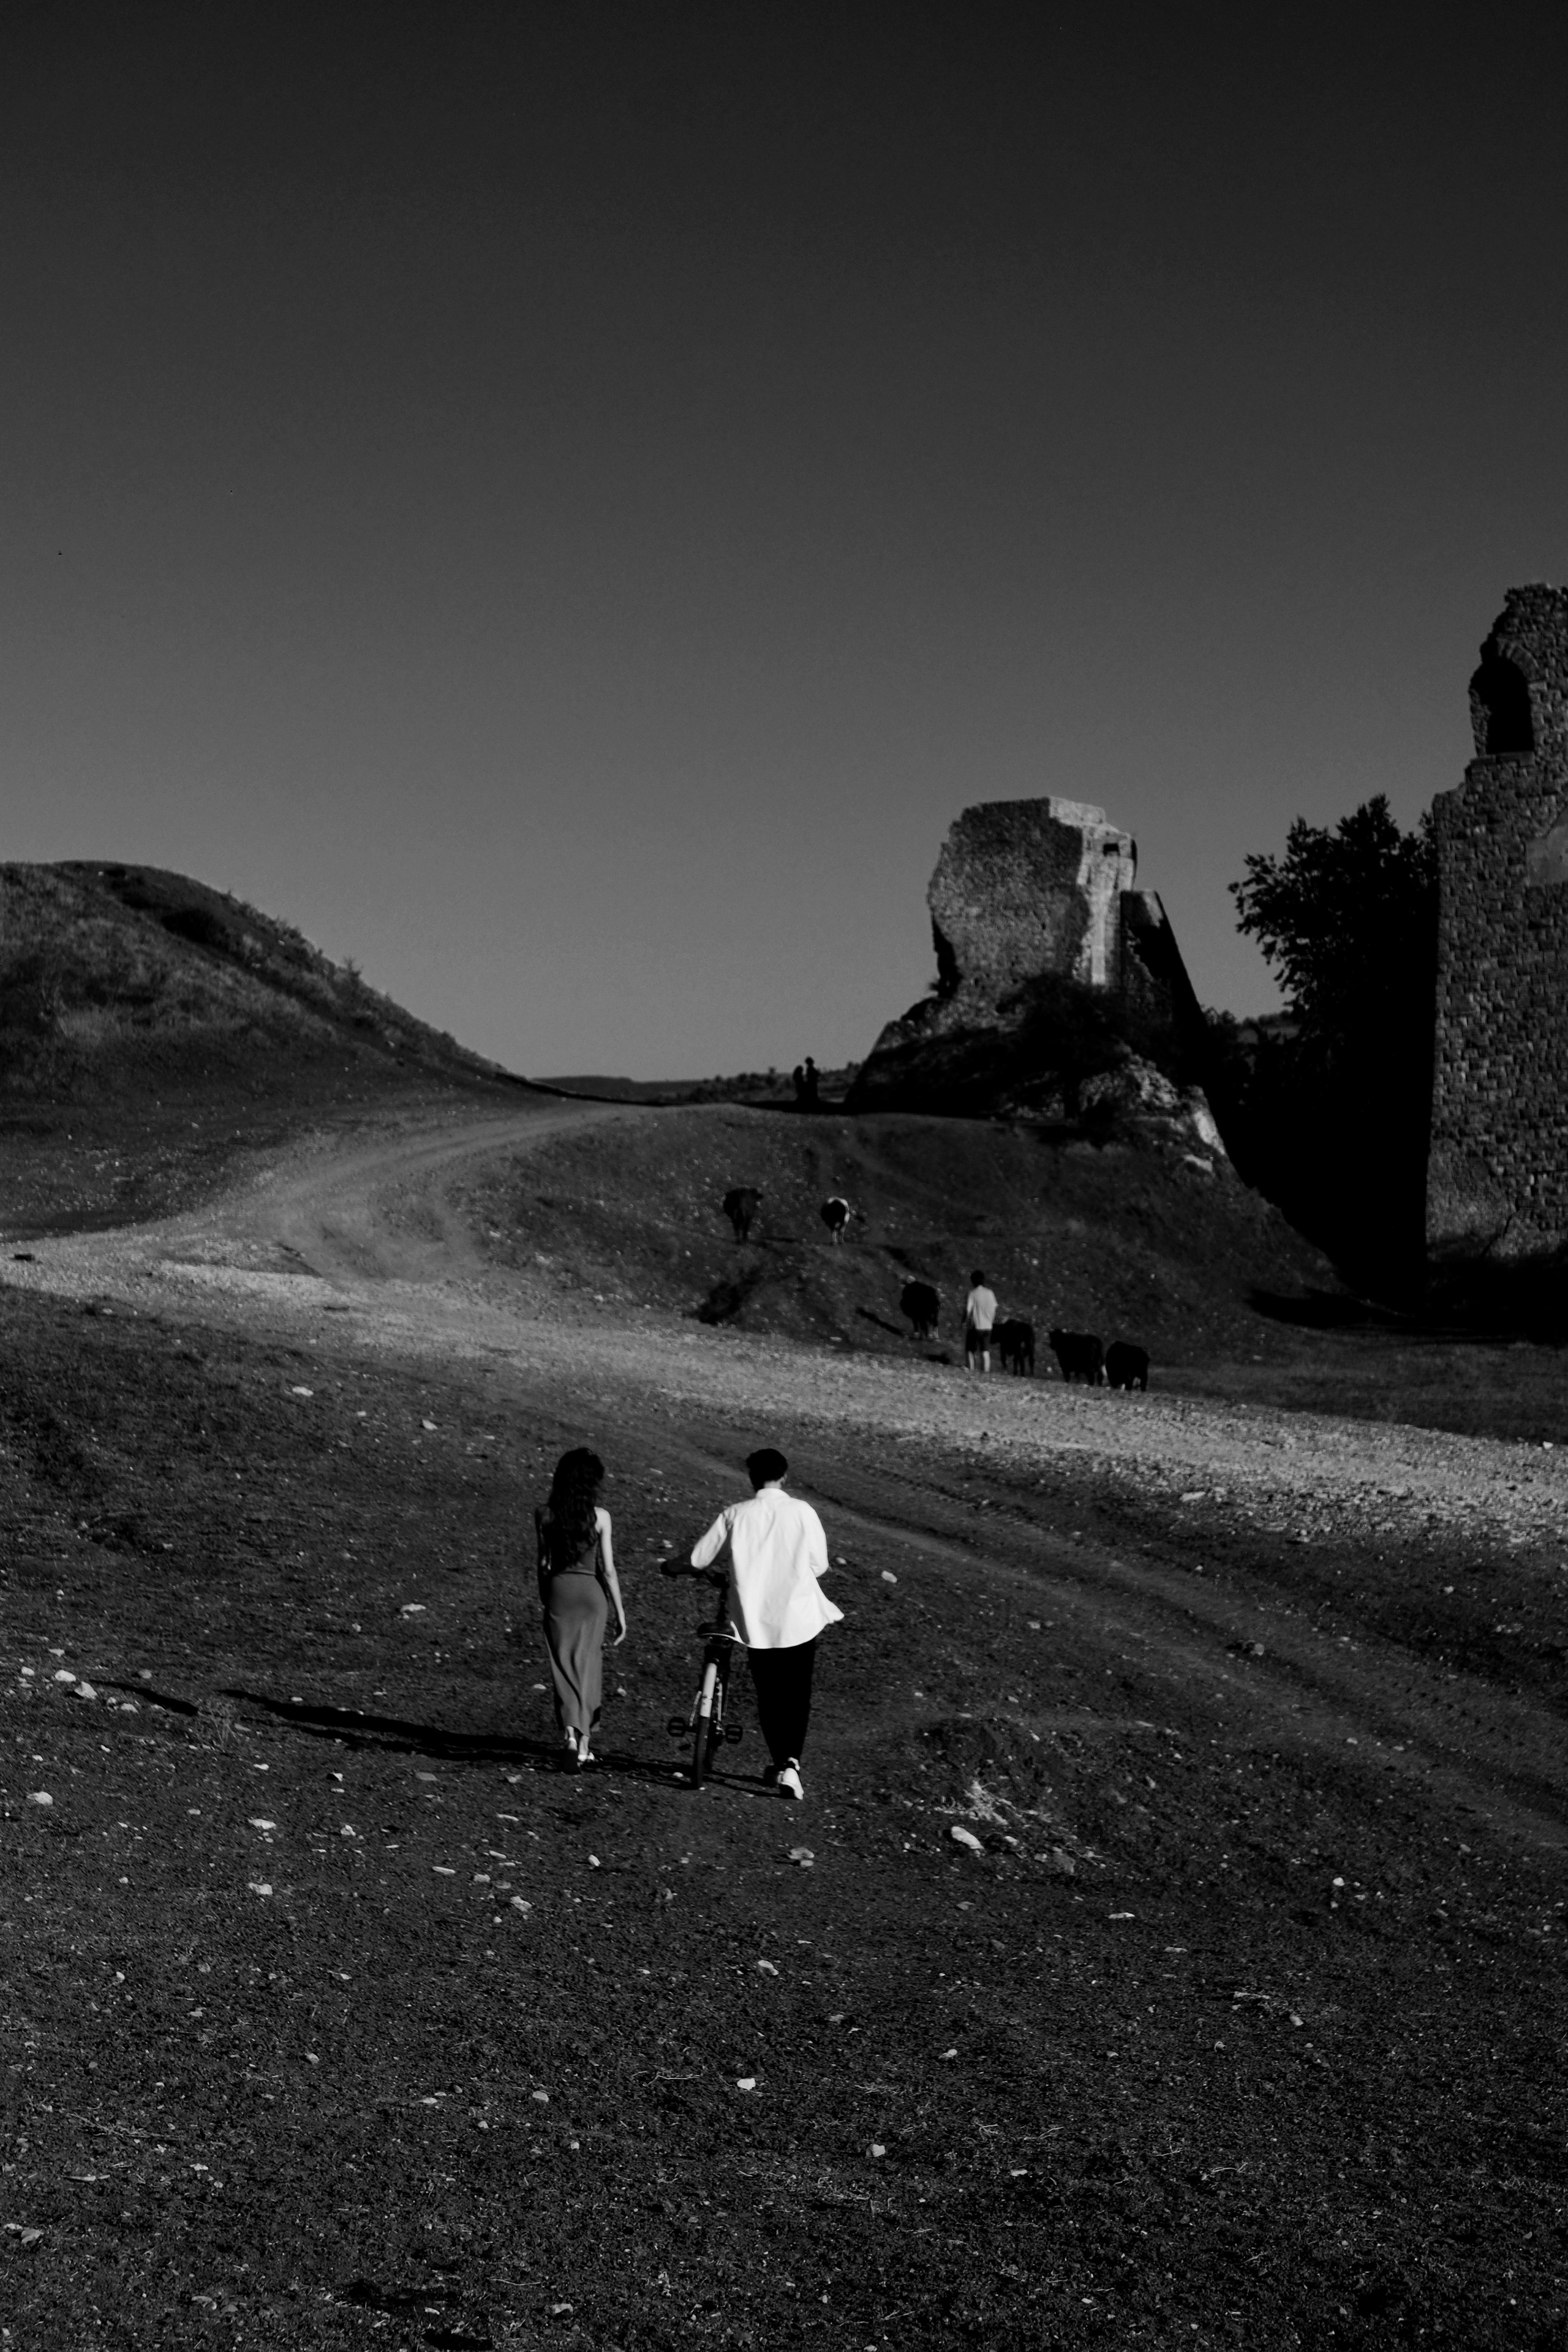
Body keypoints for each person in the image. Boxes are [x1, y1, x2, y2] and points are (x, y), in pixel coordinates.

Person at [665, 1447, 842, 1801]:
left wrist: (670, 1566)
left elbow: (699, 1558)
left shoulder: (736, 1514)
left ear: (751, 1477)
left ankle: (781, 1761)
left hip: (756, 1621)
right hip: (799, 1617)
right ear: (785, 1476)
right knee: (797, 1694)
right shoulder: (802, 1511)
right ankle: (790, 1765)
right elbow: (819, 1565)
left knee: (770, 1694)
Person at [534, 1447, 627, 1769]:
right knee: (589, 1664)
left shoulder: (544, 1514)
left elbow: (543, 1563)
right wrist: (620, 1612)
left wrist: (546, 1595)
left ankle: (570, 1736)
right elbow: (609, 1570)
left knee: (563, 1664)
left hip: (560, 1590)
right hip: (592, 1595)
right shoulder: (601, 1517)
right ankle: (585, 1743)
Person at [964, 1268, 998, 1373]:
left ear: (973, 1281)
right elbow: (994, 1308)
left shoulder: (972, 1293)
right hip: (988, 1327)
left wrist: (965, 1322)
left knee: (970, 1349)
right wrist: (991, 1320)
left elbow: (968, 1310)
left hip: (975, 1326)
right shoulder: (990, 1293)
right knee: (985, 1351)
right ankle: (985, 1373)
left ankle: (971, 1371)